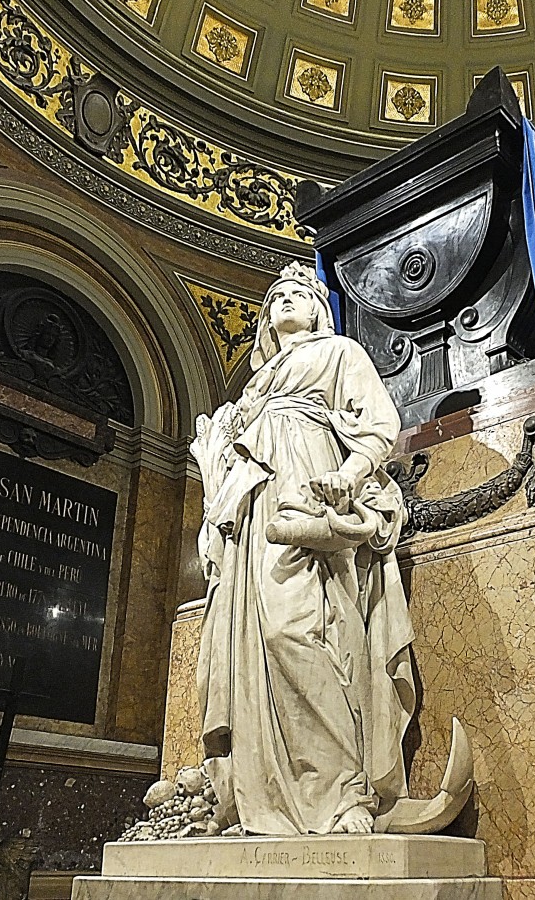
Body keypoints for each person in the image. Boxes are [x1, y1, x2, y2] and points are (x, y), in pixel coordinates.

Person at [191, 262, 413, 836]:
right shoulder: (254, 386)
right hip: (252, 508)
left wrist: (351, 473)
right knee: (248, 644)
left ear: (318, 309)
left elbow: (378, 424)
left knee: (299, 631)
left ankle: (343, 791)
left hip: (309, 485)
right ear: (265, 319)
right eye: (277, 298)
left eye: (299, 294)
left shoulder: (339, 352)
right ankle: (259, 789)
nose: (287, 300)